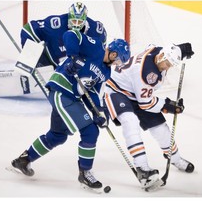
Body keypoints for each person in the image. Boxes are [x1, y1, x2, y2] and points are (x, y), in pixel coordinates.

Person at [10, 28, 130, 192]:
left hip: (71, 97)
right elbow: (71, 34)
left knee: (57, 136)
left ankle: (23, 160)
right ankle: (85, 173)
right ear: (114, 54)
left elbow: (92, 92)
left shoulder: (106, 72)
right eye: (119, 61)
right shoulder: (96, 46)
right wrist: (74, 56)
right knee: (90, 132)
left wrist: (98, 111)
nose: (117, 65)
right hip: (61, 90)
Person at [103, 42, 195, 189]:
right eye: (167, 63)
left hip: (136, 92)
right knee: (131, 122)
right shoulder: (147, 73)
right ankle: (142, 168)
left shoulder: (158, 51)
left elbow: (152, 46)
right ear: (161, 57)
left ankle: (176, 159)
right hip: (116, 91)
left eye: (171, 64)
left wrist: (179, 50)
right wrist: (168, 106)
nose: (167, 67)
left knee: (160, 128)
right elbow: (145, 104)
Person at [0, 2, 107, 99]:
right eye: (73, 21)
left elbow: (101, 52)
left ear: (85, 20)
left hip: (76, 70)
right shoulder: (55, 24)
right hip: (48, 64)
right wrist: (29, 57)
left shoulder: (96, 30)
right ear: (69, 17)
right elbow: (28, 30)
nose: (76, 25)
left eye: (80, 22)